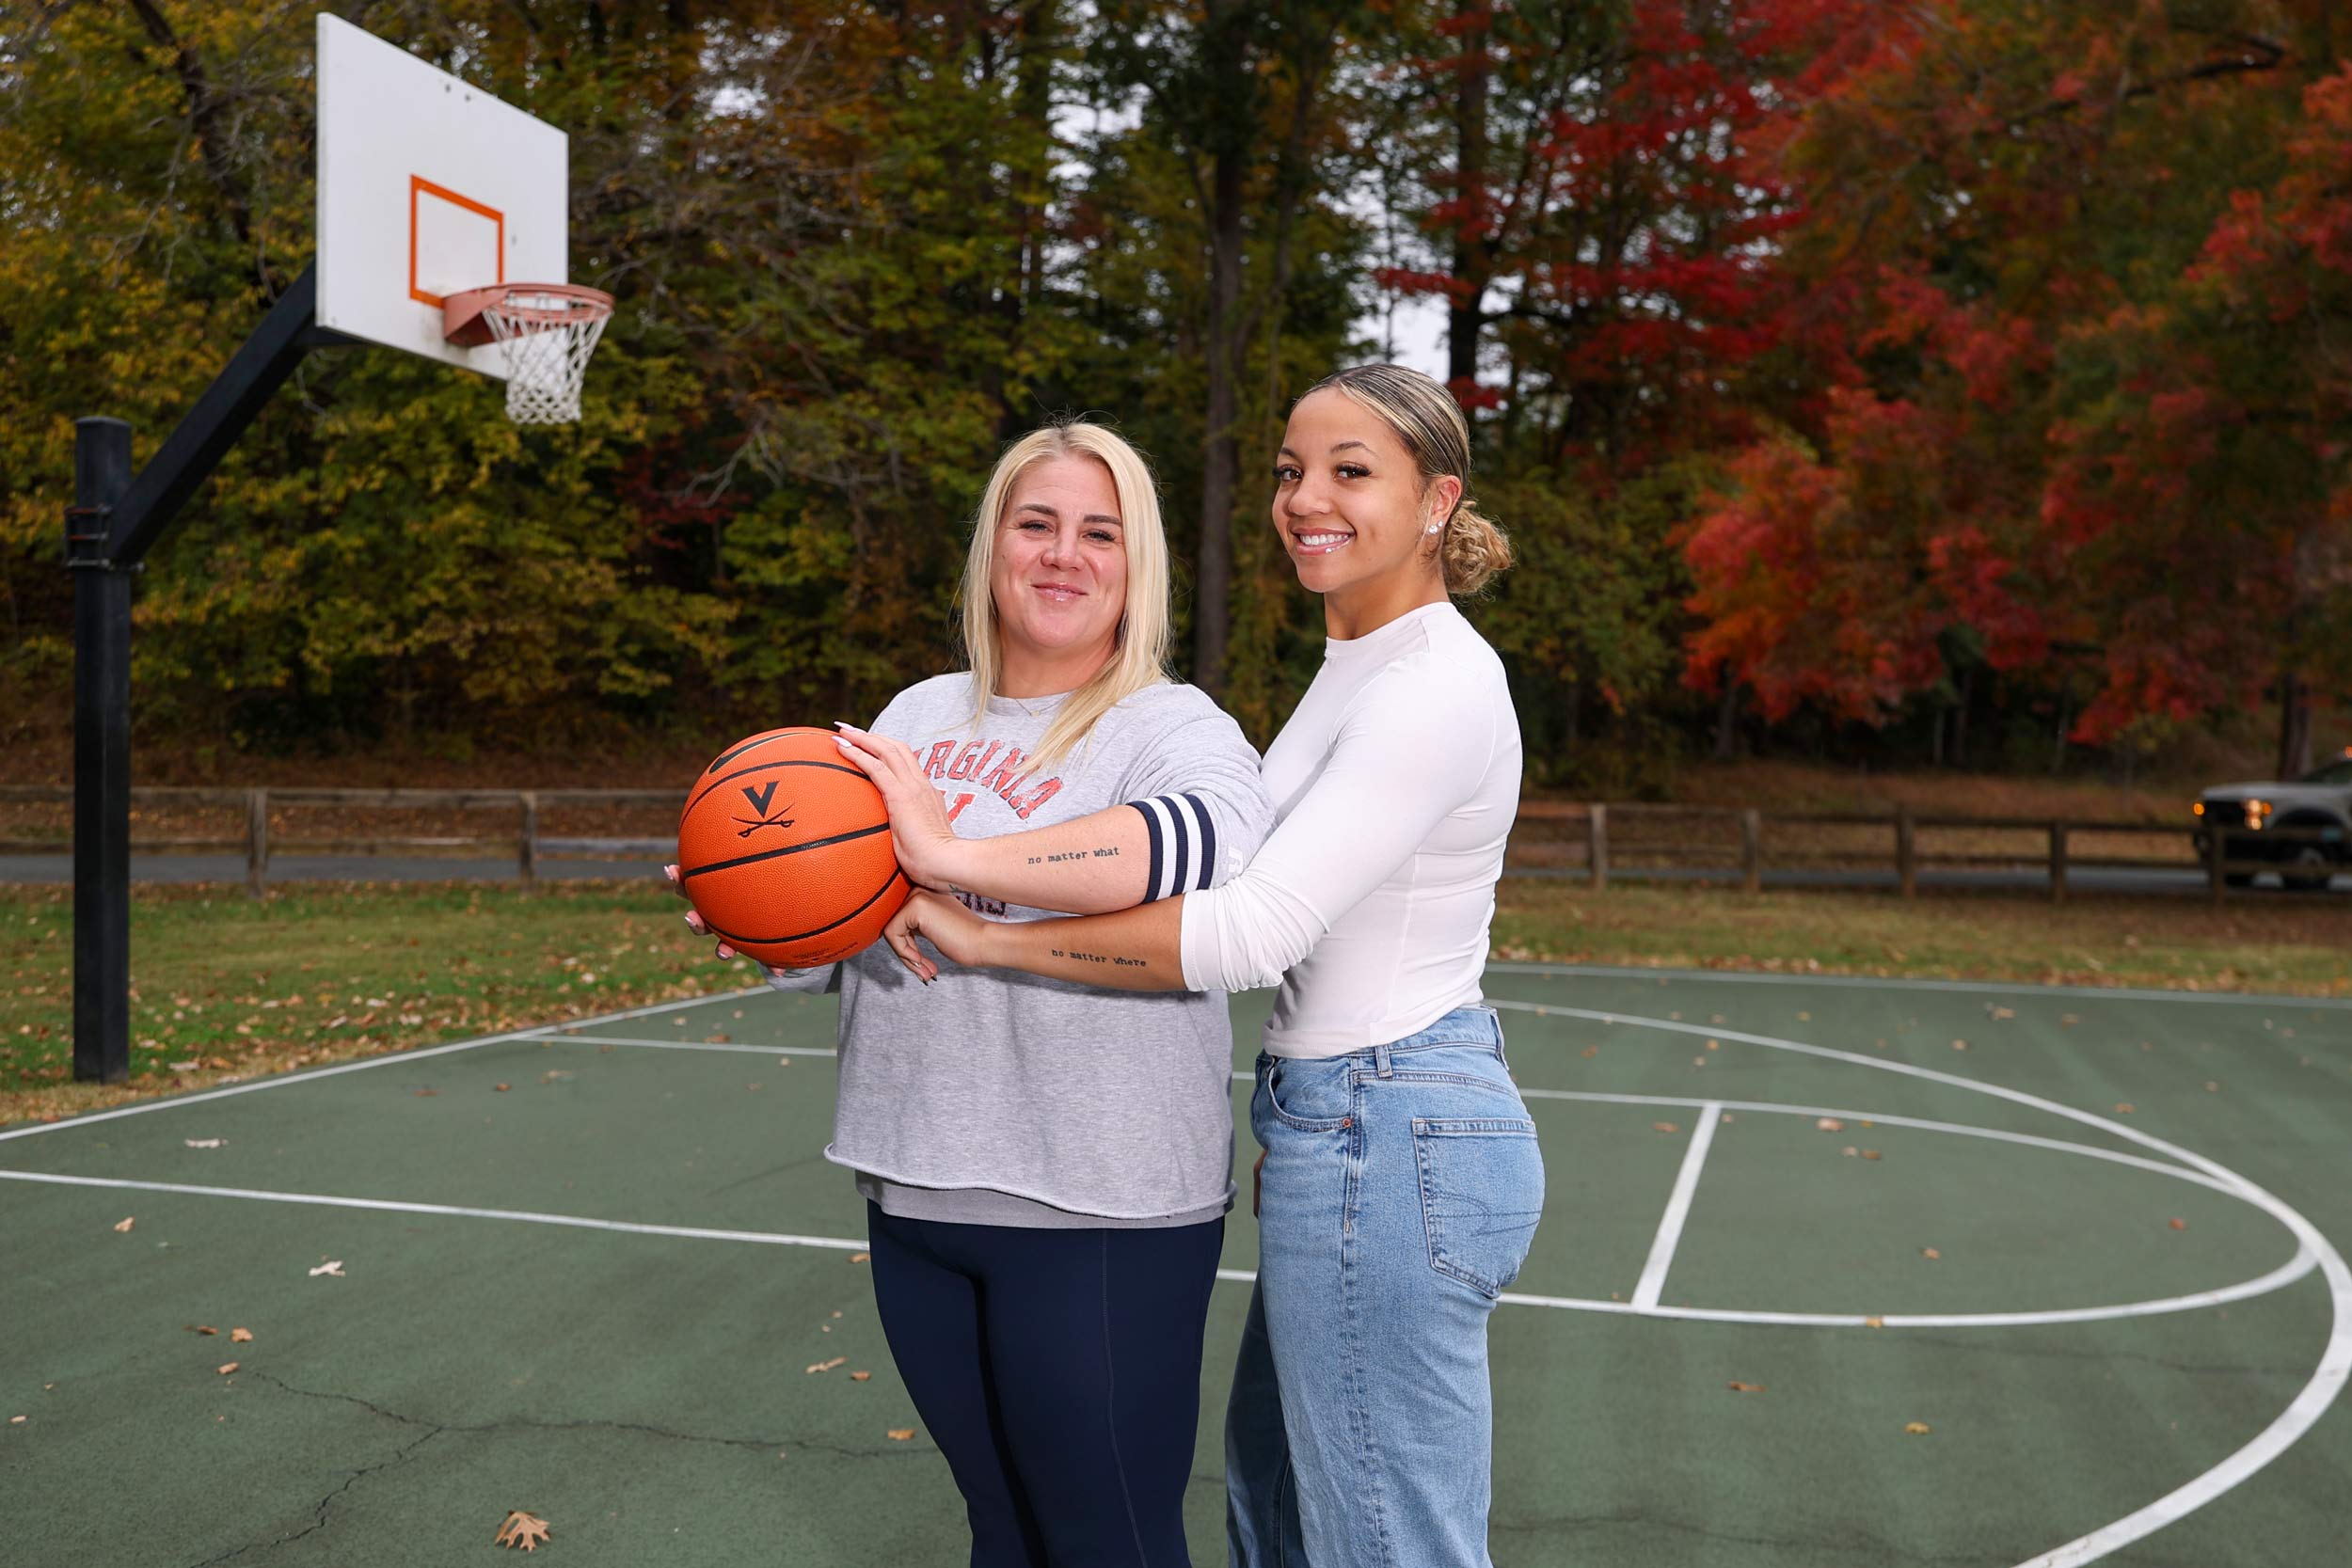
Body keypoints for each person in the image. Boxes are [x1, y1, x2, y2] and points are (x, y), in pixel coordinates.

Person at [852, 364, 1540, 1568]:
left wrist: (979, 918)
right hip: (1343, 1117)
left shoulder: (1430, 682)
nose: (1305, 496)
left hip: (1395, 1111)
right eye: (1290, 470)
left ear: (1437, 501)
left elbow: (1244, 926)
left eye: (1349, 470)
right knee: (1277, 1523)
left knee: (1387, 1542)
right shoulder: (1359, 665)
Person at [675, 420, 1274, 1568]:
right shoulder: (911, 717)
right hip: (918, 1189)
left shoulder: (1171, 727)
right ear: (991, 546)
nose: (1063, 554)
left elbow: (1194, 849)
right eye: (1035, 522)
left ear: (1135, 565)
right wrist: (761, 917)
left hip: (1098, 1204)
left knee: (1113, 1542)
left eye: (1100, 532)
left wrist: (949, 858)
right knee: (1000, 1531)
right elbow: (845, 926)